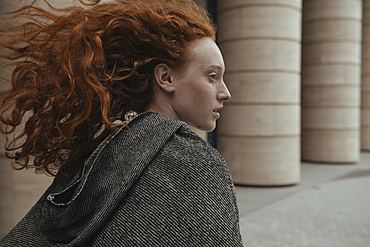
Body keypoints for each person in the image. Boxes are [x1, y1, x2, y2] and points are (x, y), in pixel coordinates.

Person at [0, 0, 243, 246]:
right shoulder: (198, 165)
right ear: (166, 78)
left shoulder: (101, 150)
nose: (225, 93)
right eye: (212, 77)